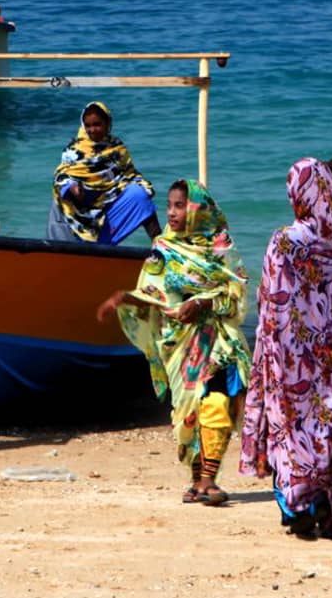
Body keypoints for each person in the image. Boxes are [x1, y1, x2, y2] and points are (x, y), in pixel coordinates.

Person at [240, 157, 332, 540]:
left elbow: (270, 302)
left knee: (293, 426)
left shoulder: (284, 240)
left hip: (294, 355)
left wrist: (266, 355)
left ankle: (301, 502)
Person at [98, 179, 251, 507]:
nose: (172, 212)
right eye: (169, 205)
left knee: (216, 405)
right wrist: (126, 299)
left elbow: (237, 291)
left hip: (217, 339)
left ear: (197, 207)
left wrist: (203, 303)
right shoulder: (164, 249)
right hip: (178, 344)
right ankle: (196, 481)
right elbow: (152, 296)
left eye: (180, 205)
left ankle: (209, 479)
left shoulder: (220, 244)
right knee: (187, 414)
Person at [47, 101, 160, 244]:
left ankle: (160, 246)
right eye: (88, 125)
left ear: (107, 124)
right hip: (78, 218)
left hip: (107, 208)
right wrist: (72, 187)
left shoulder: (117, 148)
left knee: (140, 195)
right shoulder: (74, 150)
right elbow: (61, 177)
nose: (92, 130)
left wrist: (142, 185)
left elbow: (129, 175)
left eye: (97, 124)